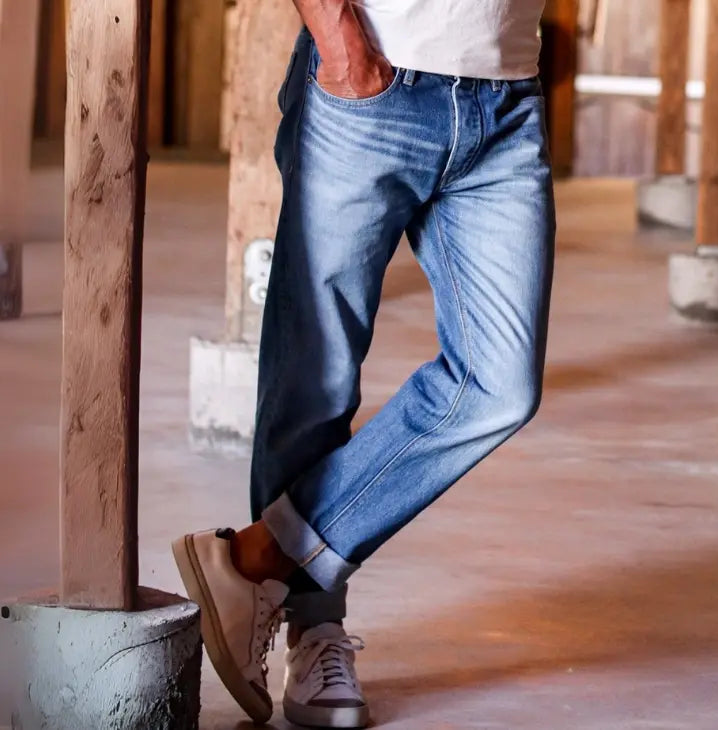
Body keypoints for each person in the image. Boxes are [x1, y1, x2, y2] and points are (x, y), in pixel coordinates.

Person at [172, 0, 554, 726]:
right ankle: (314, 631)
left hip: (506, 96)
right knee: (314, 380)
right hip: (371, 79)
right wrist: (339, 40)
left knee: (500, 383)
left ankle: (256, 561)